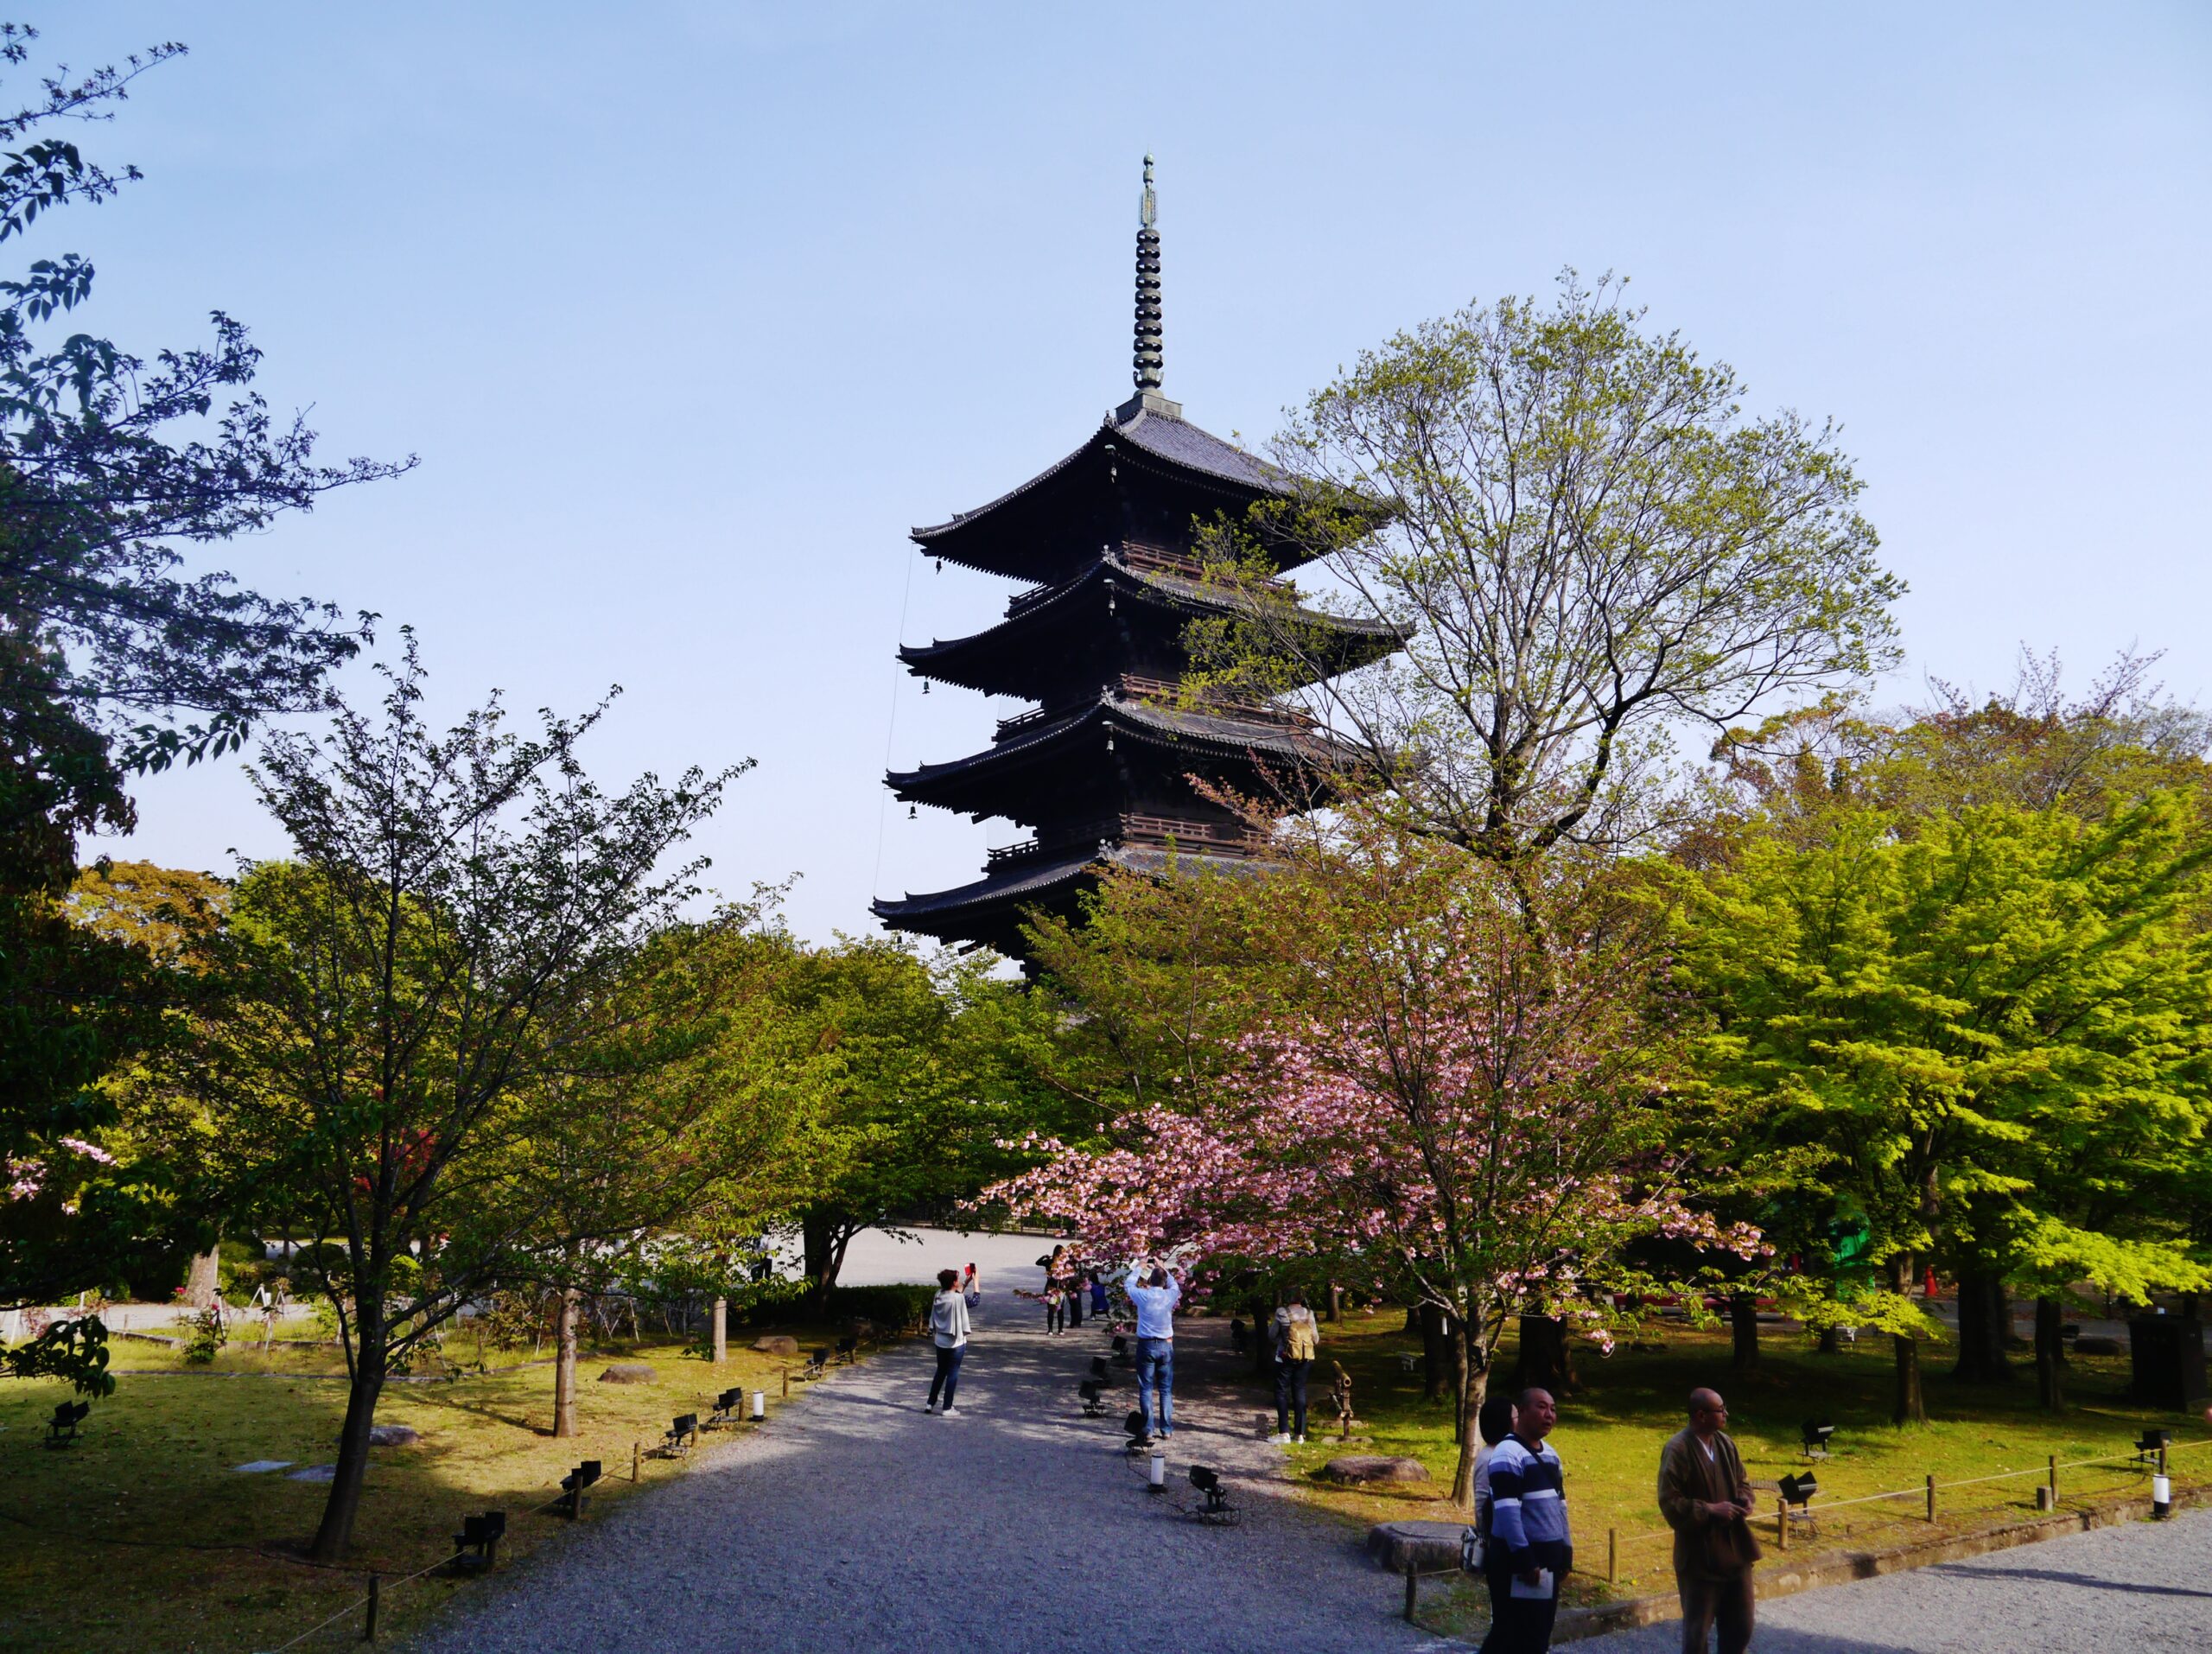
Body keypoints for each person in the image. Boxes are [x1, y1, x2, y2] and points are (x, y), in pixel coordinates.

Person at [1657, 1388, 1762, 1654]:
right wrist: (1710, 1510)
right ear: (1701, 1415)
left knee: (1741, 1626)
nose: (1726, 1414)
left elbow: (1742, 1482)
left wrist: (1746, 1499)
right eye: (1720, 1409)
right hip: (1699, 1558)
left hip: (1735, 1551)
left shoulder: (1725, 1443)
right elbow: (1670, 1503)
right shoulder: (1678, 1448)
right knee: (1697, 1633)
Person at [1483, 1387, 1569, 1654]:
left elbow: (1561, 1506)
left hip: (1548, 1564)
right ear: (1521, 1412)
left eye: (1553, 1409)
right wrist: (1524, 1557)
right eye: (1541, 1407)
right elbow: (1508, 1512)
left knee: (1538, 1635)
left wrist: (1566, 1550)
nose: (1549, 1414)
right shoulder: (1507, 1454)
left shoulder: (1551, 1455)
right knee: (1512, 1636)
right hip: (1518, 1564)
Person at [1124, 1258, 1182, 1441]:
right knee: (1165, 1389)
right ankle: (1166, 1429)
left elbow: (1128, 1284)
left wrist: (1140, 1266)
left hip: (1146, 1344)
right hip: (1166, 1344)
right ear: (1164, 1282)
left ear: (1150, 1281)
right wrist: (1163, 1267)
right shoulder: (1170, 1295)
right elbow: (1174, 1284)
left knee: (1146, 1388)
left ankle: (1148, 1429)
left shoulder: (1143, 1295)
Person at [1462, 1396, 1519, 1574]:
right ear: (1506, 1423)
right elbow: (1481, 1503)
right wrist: (1488, 1540)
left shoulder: (1505, 1452)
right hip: (1501, 1543)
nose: (1521, 1421)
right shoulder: (1490, 1457)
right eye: (1517, 1417)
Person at [1268, 1290, 1320, 1443]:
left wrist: (1283, 1341)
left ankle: (1284, 1432)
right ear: (1302, 1299)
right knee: (1300, 1390)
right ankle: (1300, 1434)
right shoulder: (1309, 1314)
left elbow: (1271, 1335)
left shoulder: (1282, 1312)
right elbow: (1316, 1339)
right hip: (1306, 1358)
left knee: (1280, 1391)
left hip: (1285, 1358)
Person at [924, 1268, 971, 1415]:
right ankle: (947, 1407)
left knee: (940, 1371)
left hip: (940, 1341)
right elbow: (964, 1318)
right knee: (953, 1373)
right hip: (956, 1342)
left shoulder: (938, 1295)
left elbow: (955, 1292)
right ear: (953, 1282)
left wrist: (966, 1282)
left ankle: (930, 1403)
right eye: (957, 1279)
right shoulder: (958, 1298)